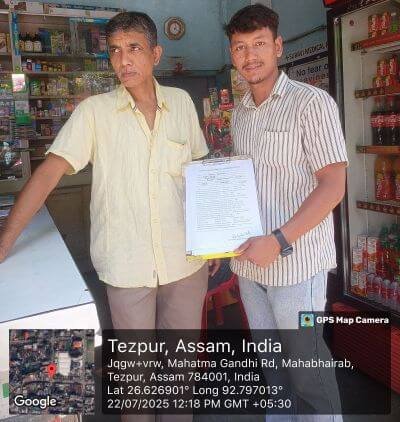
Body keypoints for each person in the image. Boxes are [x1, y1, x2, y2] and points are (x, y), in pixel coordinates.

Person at [0, 12, 219, 341]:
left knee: (182, 358)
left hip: (185, 262)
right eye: (115, 50)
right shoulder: (94, 112)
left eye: (134, 48)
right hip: (127, 266)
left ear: (155, 54)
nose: (123, 60)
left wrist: (213, 240)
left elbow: (199, 174)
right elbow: (47, 175)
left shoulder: (181, 103)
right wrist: (5, 241)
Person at [225, 4, 348, 422]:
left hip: (298, 268)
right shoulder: (240, 113)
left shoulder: (311, 103)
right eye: (240, 47)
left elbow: (333, 185)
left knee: (307, 369)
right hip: (250, 268)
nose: (250, 55)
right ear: (232, 54)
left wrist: (278, 240)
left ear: (278, 46)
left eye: (259, 43)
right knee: (273, 370)